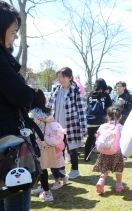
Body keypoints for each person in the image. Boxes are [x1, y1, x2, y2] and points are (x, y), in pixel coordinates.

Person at [0, 1, 35, 210]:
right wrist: (32, 93)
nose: (15, 36)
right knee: (17, 199)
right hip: (9, 144)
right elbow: (21, 96)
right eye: (13, 31)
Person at [47, 67, 87, 179]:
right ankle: (61, 168)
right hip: (57, 125)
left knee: (72, 148)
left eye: (63, 77)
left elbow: (81, 109)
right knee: (59, 148)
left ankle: (75, 170)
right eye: (59, 77)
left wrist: (83, 126)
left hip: (71, 124)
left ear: (70, 77)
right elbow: (49, 106)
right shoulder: (55, 89)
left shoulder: (75, 90)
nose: (61, 79)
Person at [29, 89, 68, 201]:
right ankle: (42, 187)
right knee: (44, 168)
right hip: (49, 145)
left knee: (41, 170)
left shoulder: (32, 114)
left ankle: (47, 193)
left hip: (37, 146)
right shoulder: (48, 114)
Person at [93, 106, 124, 194]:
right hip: (117, 152)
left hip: (104, 151)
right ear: (120, 116)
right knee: (118, 169)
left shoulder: (103, 126)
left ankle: (101, 181)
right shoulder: (121, 127)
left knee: (105, 168)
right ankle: (119, 186)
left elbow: (97, 136)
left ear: (108, 116)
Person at [85, 78, 112, 161]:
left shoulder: (90, 95)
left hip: (90, 120)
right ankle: (102, 157)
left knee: (90, 138)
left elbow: (87, 106)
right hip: (101, 120)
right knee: (102, 138)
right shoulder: (105, 95)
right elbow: (109, 107)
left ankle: (86, 156)